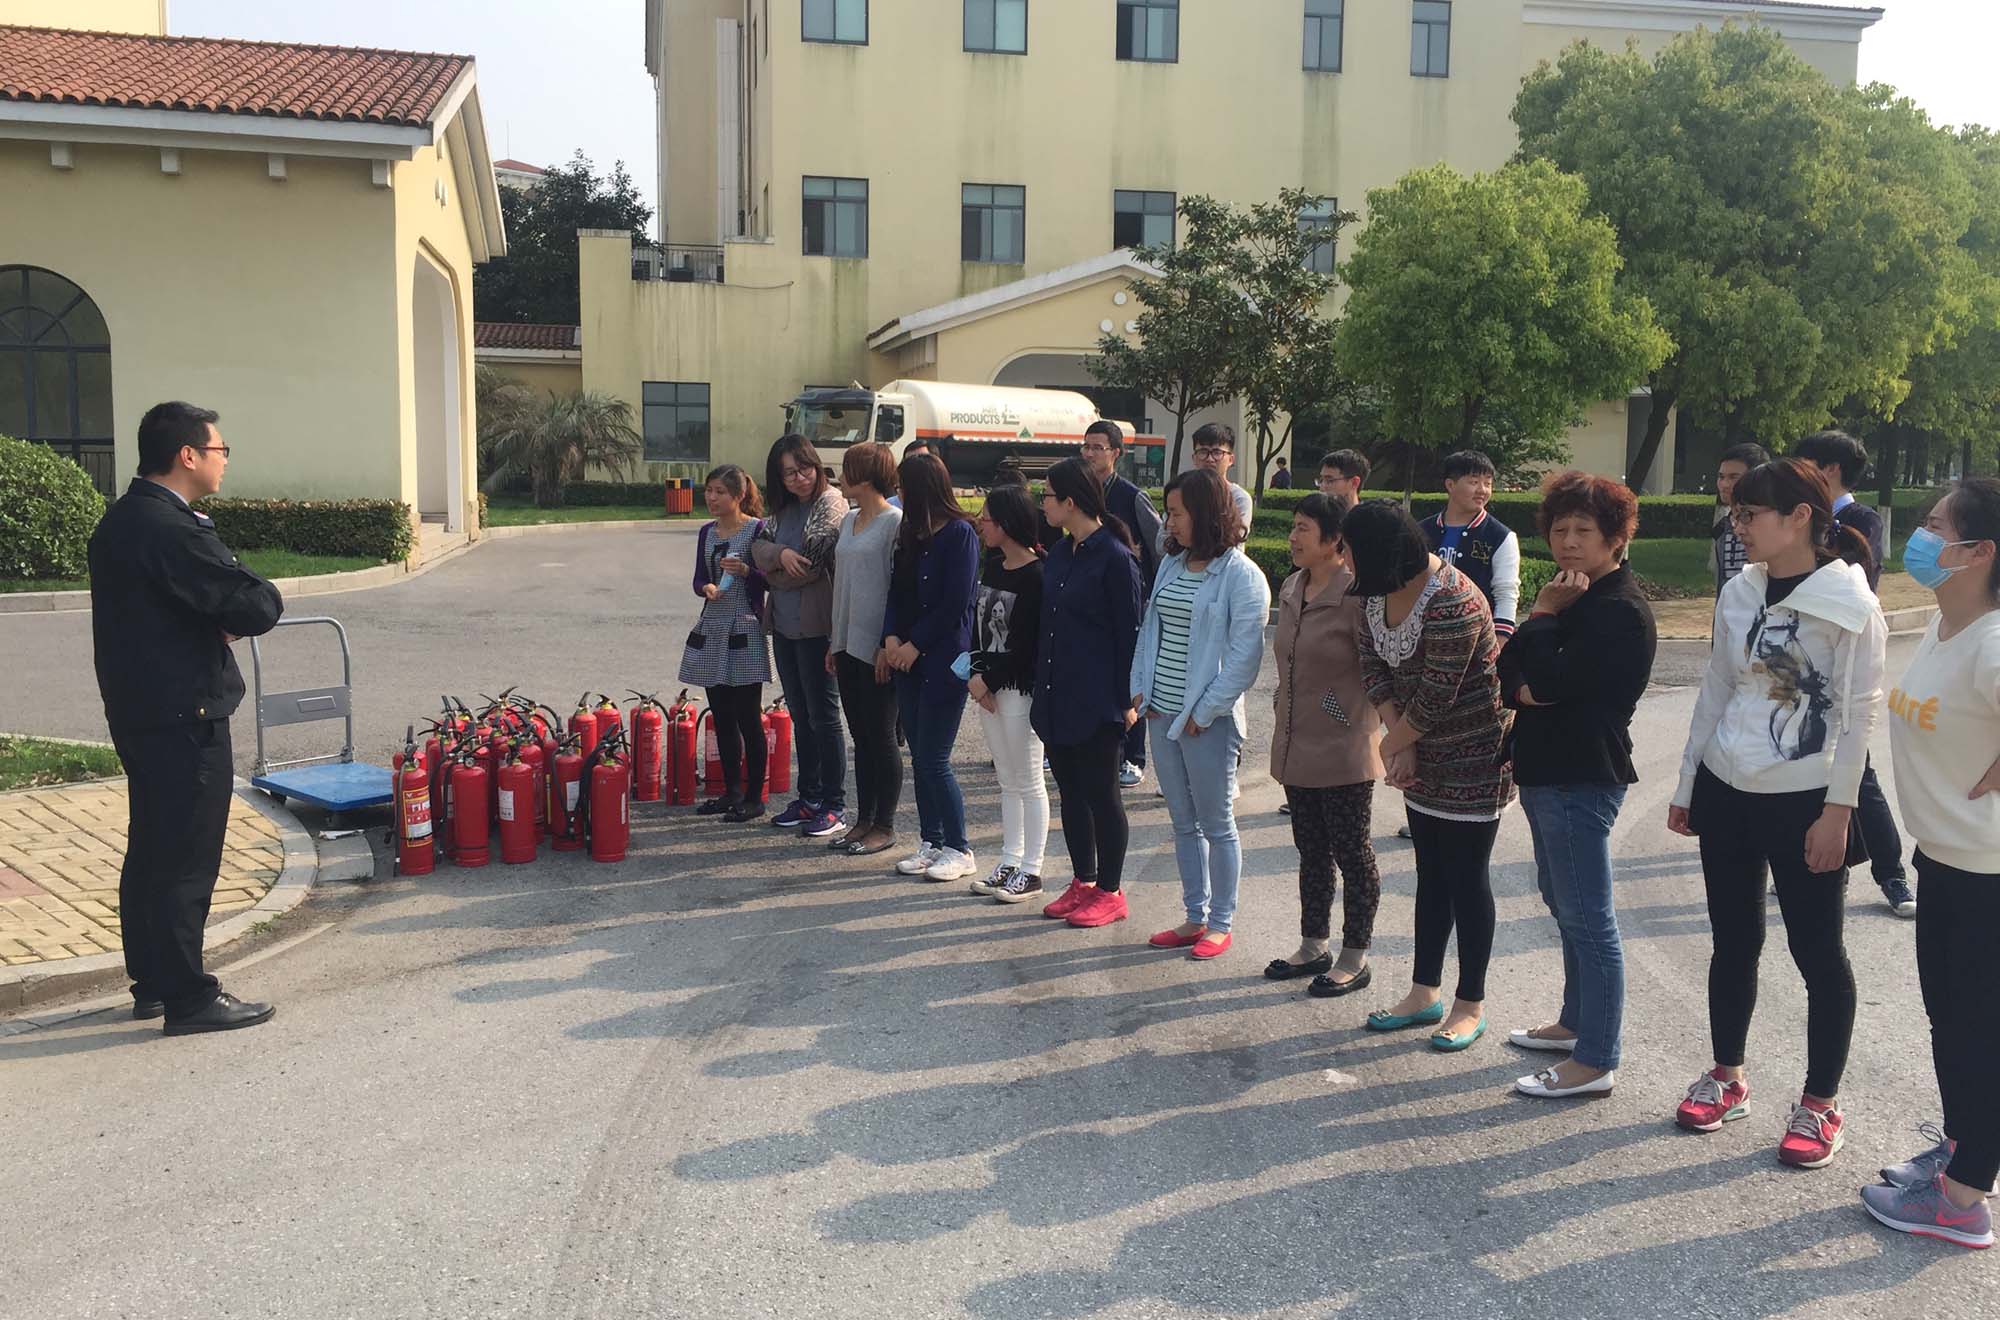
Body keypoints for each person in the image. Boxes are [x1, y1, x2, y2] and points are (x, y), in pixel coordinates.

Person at [1667, 458, 1884, 1168]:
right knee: (1733, 941)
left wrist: (1838, 810)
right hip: (1727, 787)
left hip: (1806, 798)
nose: (1738, 526)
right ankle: (1726, 1076)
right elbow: (1717, 688)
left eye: (1749, 514)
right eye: (1734, 513)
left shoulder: (1851, 602)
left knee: (1818, 952)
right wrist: (1688, 782)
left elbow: (1857, 716)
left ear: (1799, 517)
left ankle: (1820, 1104)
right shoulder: (1740, 590)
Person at [87, 402, 284, 1035]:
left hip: (140, 709)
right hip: (185, 714)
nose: (225, 461)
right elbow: (256, 602)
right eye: (220, 450)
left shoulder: (122, 519)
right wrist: (228, 613)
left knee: (151, 847)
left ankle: (152, 979)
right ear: (188, 455)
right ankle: (189, 998)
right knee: (186, 858)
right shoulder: (171, 527)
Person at [1864, 478, 2000, 1248]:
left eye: (1935, 525)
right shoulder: (1950, 628)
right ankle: (1959, 1151)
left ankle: (1964, 1199)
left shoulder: (1993, 640)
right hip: (1942, 859)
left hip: (1988, 873)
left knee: (1981, 1033)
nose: (1920, 535)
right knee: (1952, 1023)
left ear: (1979, 552)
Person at [1498, 472, 1658, 1099]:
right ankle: (1575, 1023)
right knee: (1563, 904)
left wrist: (1540, 617)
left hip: (1581, 774)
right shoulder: (1575, 597)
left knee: (1590, 919)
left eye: (1583, 530)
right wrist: (1529, 676)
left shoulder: (1618, 609)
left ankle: (1596, 1058)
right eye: (1559, 529)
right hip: (1546, 769)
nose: (1567, 541)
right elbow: (1510, 673)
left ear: (1615, 537)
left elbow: (1547, 682)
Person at [1349, 500, 1514, 1051]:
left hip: (1474, 756)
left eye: (1350, 549)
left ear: (1379, 552)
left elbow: (1439, 693)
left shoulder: (1454, 599)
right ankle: (1424, 992)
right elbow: (1372, 666)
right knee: (1431, 875)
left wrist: (1390, 746)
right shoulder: (1374, 593)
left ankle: (1471, 1004)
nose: (1344, 559)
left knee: (1467, 878)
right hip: (1416, 750)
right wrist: (1400, 742)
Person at [1131, 469, 1270, 960]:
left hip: (1207, 721)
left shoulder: (1242, 575)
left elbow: (1244, 660)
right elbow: (1150, 631)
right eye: (1168, 513)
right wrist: (1140, 690)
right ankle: (1194, 915)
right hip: (1161, 713)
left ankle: (1220, 922)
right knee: (1182, 821)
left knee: (1216, 822)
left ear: (1206, 513)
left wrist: (1205, 711)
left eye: (1177, 513)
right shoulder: (1172, 564)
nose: (1168, 523)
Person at [1266, 491, 1384, 994]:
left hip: (1343, 747)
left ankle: (1356, 956)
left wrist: (1342, 714)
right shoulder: (1292, 586)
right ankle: (1314, 944)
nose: (1292, 537)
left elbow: (1381, 668)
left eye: (1303, 529)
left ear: (1335, 540)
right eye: (1292, 526)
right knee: (1311, 850)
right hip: (1295, 742)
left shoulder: (1359, 595)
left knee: (1352, 853)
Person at [1794, 429, 1913, 917]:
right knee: (1809, 768)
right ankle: (1821, 868)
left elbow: (1860, 578)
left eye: (1805, 465)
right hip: (1803, 658)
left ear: (1830, 470)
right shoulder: (1803, 516)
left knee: (1857, 773)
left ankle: (1892, 876)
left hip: (1847, 656)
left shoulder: (1861, 521)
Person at [1033, 457, 1143, 929]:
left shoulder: (1116, 558)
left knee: (1102, 795)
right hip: (1056, 694)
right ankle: (1084, 880)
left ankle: (1111, 891)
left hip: (1097, 701)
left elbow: (1129, 635)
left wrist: (1126, 701)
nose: (1042, 504)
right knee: (1071, 793)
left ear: (1071, 502)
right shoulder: (1061, 552)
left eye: (1047, 496)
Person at [883, 453, 980, 881]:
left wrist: (915, 645)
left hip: (943, 659)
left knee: (935, 757)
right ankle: (932, 840)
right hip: (906, 658)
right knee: (920, 756)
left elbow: (956, 603)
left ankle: (959, 846)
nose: (899, 493)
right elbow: (896, 591)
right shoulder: (911, 532)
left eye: (903, 486)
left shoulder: (960, 534)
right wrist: (891, 638)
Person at [752, 433, 849, 838]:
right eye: (789, 473)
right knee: (800, 714)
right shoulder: (783, 510)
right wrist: (779, 557)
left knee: (823, 716)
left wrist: (773, 570)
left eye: (804, 468)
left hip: (817, 627)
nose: (799, 478)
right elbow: (757, 548)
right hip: (784, 627)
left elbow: (812, 564)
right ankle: (809, 797)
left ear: (815, 464)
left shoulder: (831, 503)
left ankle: (834, 804)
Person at [965, 483, 1049, 904]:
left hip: (1017, 691)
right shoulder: (994, 566)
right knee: (1006, 779)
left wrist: (989, 681)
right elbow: (978, 626)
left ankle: (1031, 869)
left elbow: (1028, 645)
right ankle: (1009, 860)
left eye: (986, 518)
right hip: (986, 688)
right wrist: (975, 673)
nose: (980, 524)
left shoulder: (1037, 575)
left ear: (1007, 523)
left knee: (1029, 779)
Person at [680, 465, 772, 822]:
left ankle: (754, 797)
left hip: (744, 626)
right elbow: (698, 578)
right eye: (709, 491)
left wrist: (747, 572)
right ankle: (731, 791)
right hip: (713, 625)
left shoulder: (757, 529)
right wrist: (706, 587)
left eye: (720, 491)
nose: (712, 498)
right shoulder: (707, 532)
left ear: (738, 495)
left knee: (748, 715)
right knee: (721, 715)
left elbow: (770, 579)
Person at [826, 443, 903, 857]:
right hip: (845, 641)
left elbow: (898, 587)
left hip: (877, 647)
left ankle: (885, 824)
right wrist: (833, 640)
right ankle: (864, 819)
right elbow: (842, 582)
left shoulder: (895, 522)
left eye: (848, 469)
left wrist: (885, 644)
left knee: (882, 735)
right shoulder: (849, 519)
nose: (841, 476)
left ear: (868, 475)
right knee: (861, 735)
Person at [1082, 418, 1162, 788]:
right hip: (1091, 600)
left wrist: (1152, 594)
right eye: (1086, 446)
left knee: (1131, 675)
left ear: (1116, 453)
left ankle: (1134, 756)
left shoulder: (1131, 496)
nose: (1090, 453)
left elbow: (1159, 547)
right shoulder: (1079, 492)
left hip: (1132, 599)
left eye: (1098, 447)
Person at [1420, 450, 1520, 639]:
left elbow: (1506, 595)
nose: (1482, 490)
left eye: (1488, 483)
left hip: (1476, 640)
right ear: (1450, 485)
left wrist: (1499, 644)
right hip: (1423, 637)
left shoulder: (1501, 537)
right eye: (1474, 482)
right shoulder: (1422, 531)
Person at [1173, 422, 1255, 544]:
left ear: (1231, 459)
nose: (1209, 459)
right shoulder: (1181, 494)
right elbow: (1162, 541)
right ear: (1194, 458)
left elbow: (1234, 539)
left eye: (1217, 452)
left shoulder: (1239, 498)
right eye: (1203, 452)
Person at [1711, 442, 1771, 595]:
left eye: (1733, 477)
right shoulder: (1721, 528)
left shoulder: (1766, 525)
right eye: (1721, 477)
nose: (1724, 484)